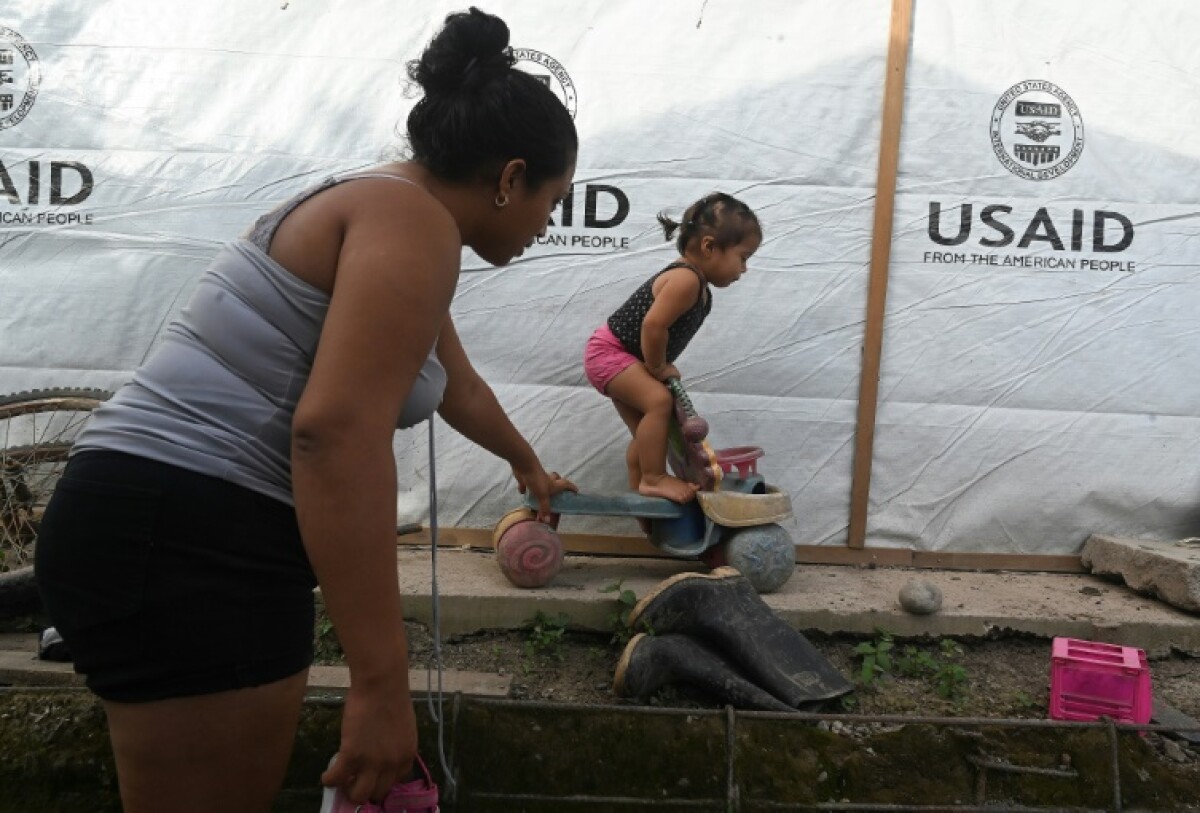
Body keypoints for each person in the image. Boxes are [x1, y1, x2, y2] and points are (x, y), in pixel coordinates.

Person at [34, 7, 577, 812]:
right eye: (552, 199)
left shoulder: (400, 212)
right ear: (510, 177)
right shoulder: (412, 222)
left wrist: (526, 463)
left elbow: (453, 383)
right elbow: (334, 434)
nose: (547, 224)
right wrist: (380, 685)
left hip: (164, 522)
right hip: (189, 535)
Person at [583, 193, 762, 505]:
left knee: (648, 430)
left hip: (621, 356)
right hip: (609, 353)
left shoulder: (698, 285)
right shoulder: (685, 280)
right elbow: (653, 326)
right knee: (659, 402)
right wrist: (657, 367)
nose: (744, 269)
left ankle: (641, 489)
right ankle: (653, 479)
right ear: (709, 246)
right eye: (743, 257)